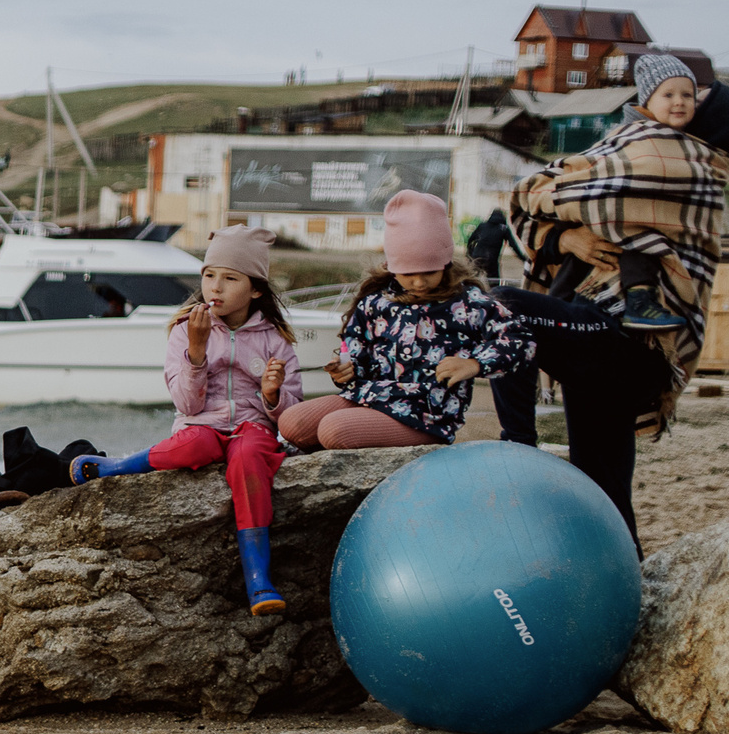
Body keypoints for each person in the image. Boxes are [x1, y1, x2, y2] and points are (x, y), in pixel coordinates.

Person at [501, 53, 721, 544]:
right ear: (645, 101)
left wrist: (557, 214)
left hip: (636, 342)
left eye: (690, 95)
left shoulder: (685, 159)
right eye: (670, 95)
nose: (682, 103)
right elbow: (548, 200)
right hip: (595, 329)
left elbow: (553, 193)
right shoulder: (622, 145)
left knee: (503, 307)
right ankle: (627, 577)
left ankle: (516, 444)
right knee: (601, 482)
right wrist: (565, 241)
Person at [69, 227, 302, 614]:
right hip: (202, 424)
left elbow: (288, 414)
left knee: (248, 463)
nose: (216, 287)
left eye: (230, 278)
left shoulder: (274, 339)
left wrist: (273, 395)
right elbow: (186, 405)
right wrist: (196, 351)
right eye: (209, 275)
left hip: (253, 428)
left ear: (256, 289)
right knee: (193, 444)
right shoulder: (185, 331)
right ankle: (117, 467)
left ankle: (258, 579)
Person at [279, 191, 530, 453]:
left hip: (426, 412)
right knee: (292, 423)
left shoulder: (469, 304)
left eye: (430, 272)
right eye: (408, 273)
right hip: (371, 396)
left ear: (445, 263)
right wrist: (347, 371)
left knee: (334, 431)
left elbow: (520, 341)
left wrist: (475, 364)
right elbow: (356, 358)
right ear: (391, 266)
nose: (419, 282)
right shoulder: (376, 302)